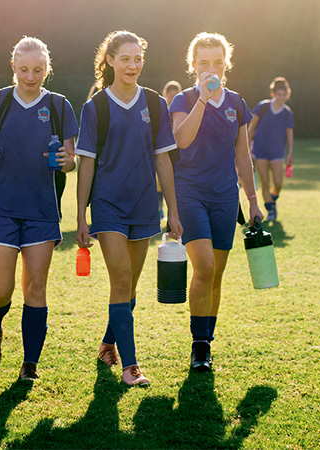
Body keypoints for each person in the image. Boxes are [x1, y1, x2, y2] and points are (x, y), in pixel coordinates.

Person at [76, 30, 182, 387]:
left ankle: (108, 342)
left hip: (143, 206)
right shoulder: (96, 107)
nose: (133, 66)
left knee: (129, 287)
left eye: (138, 59)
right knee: (121, 281)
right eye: (125, 59)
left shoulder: (155, 104)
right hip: (107, 206)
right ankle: (131, 366)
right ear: (109, 61)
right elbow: (86, 163)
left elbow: (164, 161)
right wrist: (80, 215)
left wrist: (174, 211)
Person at [0, 36, 78, 382]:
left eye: (39, 70)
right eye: (25, 69)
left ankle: (30, 365)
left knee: (35, 289)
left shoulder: (60, 107)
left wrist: (67, 162)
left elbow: (71, 161)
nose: (31, 76)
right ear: (13, 67)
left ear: (47, 70)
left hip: (42, 211)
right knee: (0, 290)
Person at [169, 32, 263, 372]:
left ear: (226, 65)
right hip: (189, 193)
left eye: (218, 63)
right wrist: (204, 100)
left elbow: (243, 155)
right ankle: (198, 344)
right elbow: (181, 140)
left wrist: (253, 200)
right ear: (193, 65)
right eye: (204, 63)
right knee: (204, 267)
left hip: (225, 195)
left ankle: (206, 343)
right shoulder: (182, 100)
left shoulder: (237, 103)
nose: (212, 69)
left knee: (217, 274)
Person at [248, 76, 294, 221]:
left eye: (283, 94)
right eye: (278, 94)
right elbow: (251, 127)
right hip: (260, 150)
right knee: (265, 182)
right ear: (273, 93)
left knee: (278, 183)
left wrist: (290, 153)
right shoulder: (263, 106)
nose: (281, 97)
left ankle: (272, 200)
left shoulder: (287, 113)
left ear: (287, 94)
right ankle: (271, 210)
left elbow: (289, 134)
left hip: (277, 152)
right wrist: (247, 147)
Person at [157, 80, 183, 219]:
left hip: (178, 153)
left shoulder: (183, 111)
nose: (173, 99)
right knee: (159, 182)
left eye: (176, 96)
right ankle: (159, 208)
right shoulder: (161, 111)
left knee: (176, 184)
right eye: (170, 96)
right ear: (165, 95)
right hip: (163, 152)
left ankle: (174, 214)